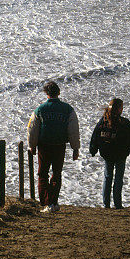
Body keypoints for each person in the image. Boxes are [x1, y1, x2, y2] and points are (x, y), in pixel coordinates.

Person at [27, 81, 80, 213]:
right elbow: (73, 130)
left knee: (42, 174)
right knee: (57, 174)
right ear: (59, 93)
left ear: (46, 94)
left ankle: (47, 203)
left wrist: (32, 146)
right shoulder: (68, 109)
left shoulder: (40, 109)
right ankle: (54, 202)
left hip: (44, 146)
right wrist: (75, 148)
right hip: (59, 146)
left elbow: (32, 129)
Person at [89, 98, 130, 209]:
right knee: (118, 179)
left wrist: (93, 150)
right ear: (120, 109)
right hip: (120, 154)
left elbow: (95, 136)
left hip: (107, 154)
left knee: (107, 177)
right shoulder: (125, 123)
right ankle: (117, 204)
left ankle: (106, 204)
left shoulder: (103, 121)